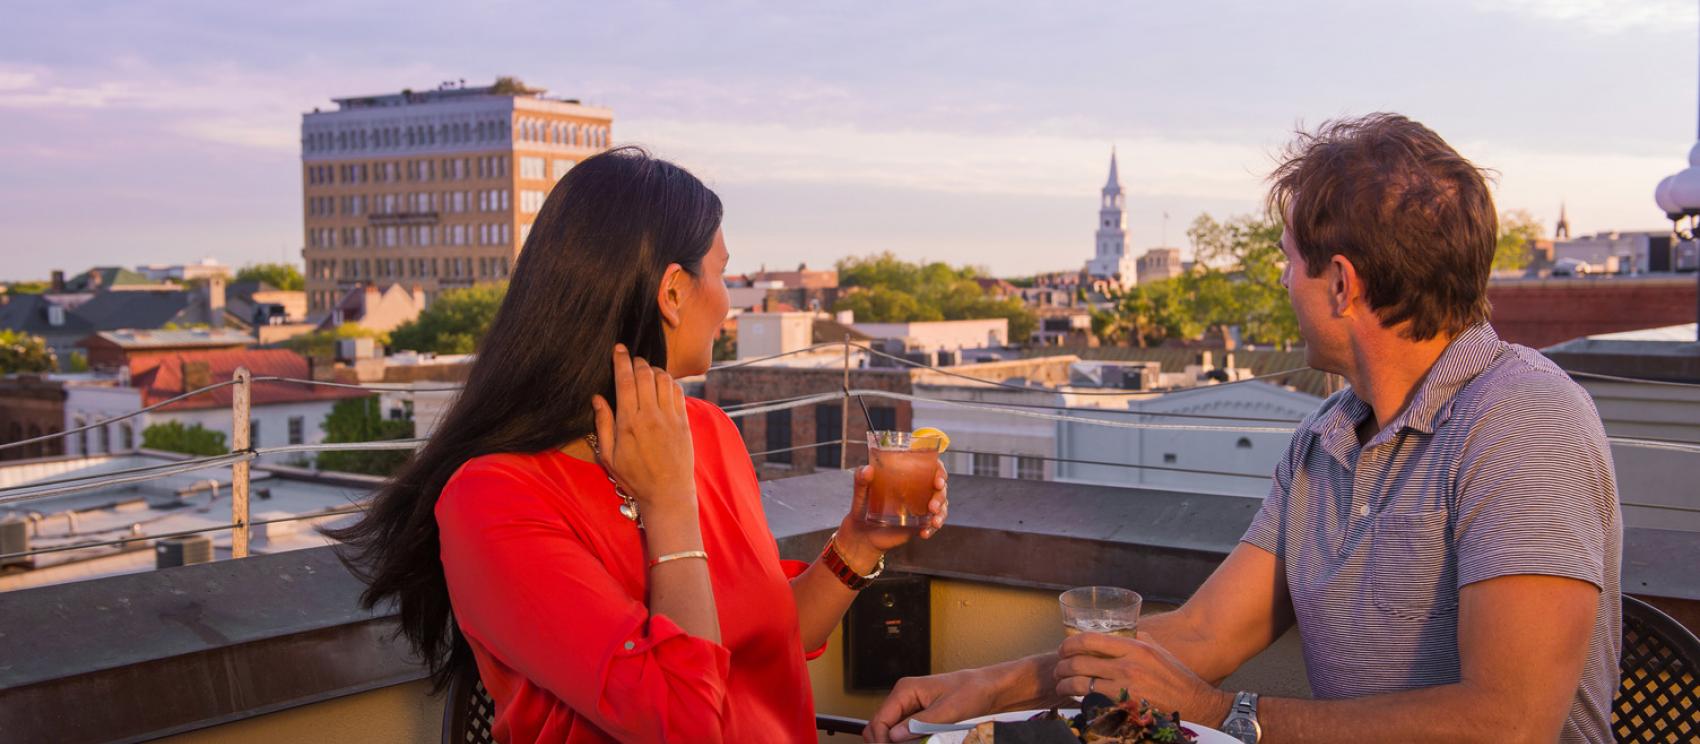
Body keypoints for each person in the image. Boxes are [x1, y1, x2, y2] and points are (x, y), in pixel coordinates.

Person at [868, 114, 1620, 743]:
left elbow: (1510, 722)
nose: (1281, 283)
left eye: (1287, 264)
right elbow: (1203, 636)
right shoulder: (1324, 441)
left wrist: (1232, 715)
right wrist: (983, 685)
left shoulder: (1523, 418)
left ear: (1340, 284)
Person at [328, 147, 949, 743]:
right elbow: (680, 722)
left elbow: (771, 636)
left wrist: (860, 541)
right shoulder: (493, 499)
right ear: (673, 292)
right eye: (723, 273)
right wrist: (670, 503)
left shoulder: (708, 431)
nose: (730, 305)